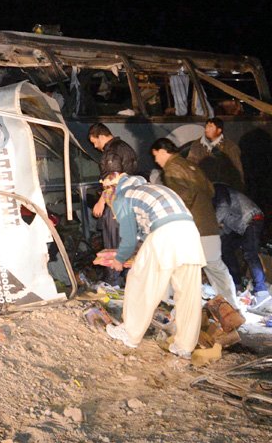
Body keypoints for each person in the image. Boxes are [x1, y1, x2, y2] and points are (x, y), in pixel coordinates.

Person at [103, 173, 204, 358]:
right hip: (190, 233)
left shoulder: (123, 196)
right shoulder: (153, 188)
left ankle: (130, 334)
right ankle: (184, 347)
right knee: (188, 294)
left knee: (140, 282)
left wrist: (119, 259)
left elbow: (129, 237)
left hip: (165, 234)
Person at [150, 138, 241, 310]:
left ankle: (171, 305)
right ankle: (232, 305)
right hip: (208, 222)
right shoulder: (192, 166)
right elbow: (211, 190)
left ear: (163, 151)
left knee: (175, 265)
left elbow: (181, 198)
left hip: (190, 227)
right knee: (216, 266)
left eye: (156, 156)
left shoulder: (172, 168)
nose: (156, 161)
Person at [88, 123, 138, 285]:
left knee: (112, 244)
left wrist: (101, 202)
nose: (95, 146)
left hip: (115, 204)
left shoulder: (111, 152)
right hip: (130, 203)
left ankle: (112, 282)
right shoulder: (126, 147)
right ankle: (130, 281)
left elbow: (113, 181)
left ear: (101, 136)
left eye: (94, 142)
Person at [213, 183, 271, 309]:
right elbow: (227, 219)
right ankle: (236, 284)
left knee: (250, 253)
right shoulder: (214, 198)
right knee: (225, 248)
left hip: (252, 218)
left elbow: (224, 207)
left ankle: (262, 292)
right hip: (240, 225)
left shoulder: (218, 188)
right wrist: (218, 235)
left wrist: (213, 224)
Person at [186, 117, 244, 191]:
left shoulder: (230, 147)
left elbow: (237, 169)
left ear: (219, 130)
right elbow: (190, 164)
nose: (207, 129)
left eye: (210, 127)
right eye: (206, 126)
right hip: (203, 188)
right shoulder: (197, 145)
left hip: (224, 188)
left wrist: (239, 189)